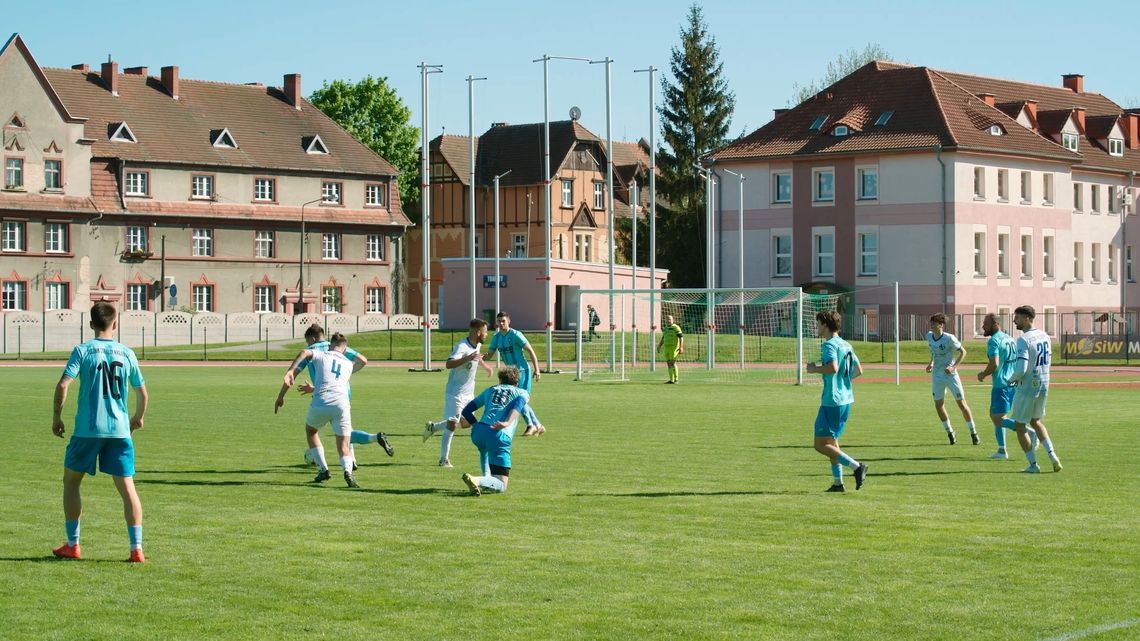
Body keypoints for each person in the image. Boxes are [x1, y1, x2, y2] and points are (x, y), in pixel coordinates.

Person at [51, 302, 149, 562]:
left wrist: (57, 417)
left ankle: (73, 544)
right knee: (127, 488)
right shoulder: (127, 353)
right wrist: (137, 418)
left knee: (71, 482)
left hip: (87, 430)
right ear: (115, 324)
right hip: (119, 431)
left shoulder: (82, 351)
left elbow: (63, 385)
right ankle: (136, 549)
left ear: (91, 324)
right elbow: (142, 392)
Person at [275, 323, 393, 469]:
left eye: (307, 341)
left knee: (316, 431)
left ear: (312, 339)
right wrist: (345, 375)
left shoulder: (312, 350)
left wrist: (280, 397)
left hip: (324, 395)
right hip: (344, 392)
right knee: (344, 431)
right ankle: (356, 458)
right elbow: (363, 359)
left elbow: (292, 376)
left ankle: (333, 465)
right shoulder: (336, 346)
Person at [277, 333, 368, 487]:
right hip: (342, 403)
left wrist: (291, 370)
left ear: (330, 345)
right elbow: (356, 366)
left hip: (322, 400)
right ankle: (348, 471)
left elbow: (305, 352)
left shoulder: (322, 355)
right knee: (344, 444)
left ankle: (324, 469)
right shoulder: (347, 364)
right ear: (344, 350)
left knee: (311, 431)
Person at [450, 366, 540, 496]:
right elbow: (518, 405)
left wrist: (475, 425)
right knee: (502, 485)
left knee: (484, 451)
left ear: (500, 380)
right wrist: (507, 422)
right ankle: (477, 480)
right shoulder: (522, 392)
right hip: (498, 434)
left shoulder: (491, 390)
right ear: (517, 382)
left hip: (479, 432)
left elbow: (466, 410)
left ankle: (484, 480)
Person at [806, 311, 868, 492]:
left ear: (825, 325)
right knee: (832, 443)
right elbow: (858, 370)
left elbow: (832, 367)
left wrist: (813, 369)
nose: (816, 327)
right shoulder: (846, 344)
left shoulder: (829, 345)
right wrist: (844, 383)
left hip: (832, 401)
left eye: (818, 324)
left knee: (820, 445)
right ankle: (838, 482)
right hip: (845, 400)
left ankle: (857, 466)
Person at [422, 318, 493, 467]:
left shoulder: (477, 344)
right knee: (453, 424)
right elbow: (449, 364)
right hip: (455, 393)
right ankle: (443, 460)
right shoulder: (461, 346)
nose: (487, 335)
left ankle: (433, 427)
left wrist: (485, 366)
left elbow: (476, 356)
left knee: (466, 423)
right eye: (485, 332)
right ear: (478, 332)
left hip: (468, 393)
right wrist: (468, 357)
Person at [1008, 305, 1062, 473]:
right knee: (1036, 421)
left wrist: (1011, 380)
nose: (1014, 320)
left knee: (1019, 425)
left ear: (1026, 318)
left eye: (1016, 317)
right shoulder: (1045, 336)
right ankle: (1053, 457)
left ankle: (1033, 465)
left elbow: (1021, 368)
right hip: (1044, 383)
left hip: (1027, 387)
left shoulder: (1024, 339)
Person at [976, 313, 1037, 459]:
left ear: (995, 324)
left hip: (1001, 385)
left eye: (985, 323)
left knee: (997, 418)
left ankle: (1028, 432)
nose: (983, 326)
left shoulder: (993, 341)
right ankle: (1002, 450)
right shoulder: (1010, 338)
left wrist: (983, 374)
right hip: (1012, 384)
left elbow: (994, 364)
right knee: (998, 416)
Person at [486, 311, 544, 435]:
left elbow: (531, 351)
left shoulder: (516, 335)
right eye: (499, 321)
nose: (501, 323)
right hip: (510, 374)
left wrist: (537, 369)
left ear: (509, 321)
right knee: (517, 399)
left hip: (522, 371)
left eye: (503, 321)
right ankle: (537, 425)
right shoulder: (496, 338)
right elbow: (489, 355)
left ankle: (531, 425)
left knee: (519, 399)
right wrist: (477, 357)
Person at [925, 313, 978, 445]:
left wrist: (954, 367)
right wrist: (931, 363)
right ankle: (950, 432)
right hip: (937, 376)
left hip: (951, 376)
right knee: (938, 405)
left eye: (934, 323)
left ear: (941, 325)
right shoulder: (929, 336)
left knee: (961, 404)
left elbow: (963, 352)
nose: (931, 325)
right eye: (931, 322)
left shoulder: (949, 338)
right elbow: (933, 352)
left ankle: (973, 432)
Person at [656, 314, 684, 384]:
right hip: (667, 348)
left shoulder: (676, 327)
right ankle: (671, 380)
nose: (668, 320)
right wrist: (659, 345)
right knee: (668, 363)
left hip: (674, 348)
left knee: (673, 362)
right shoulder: (666, 328)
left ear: (673, 320)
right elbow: (663, 337)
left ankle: (676, 379)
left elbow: (681, 337)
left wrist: (681, 347)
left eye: (670, 319)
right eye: (667, 319)